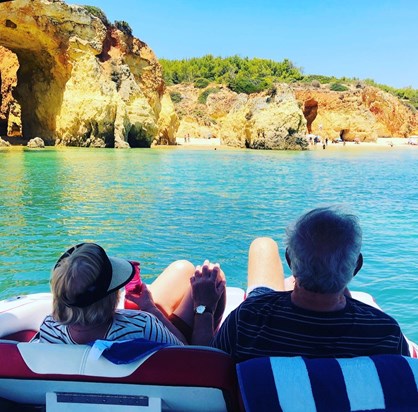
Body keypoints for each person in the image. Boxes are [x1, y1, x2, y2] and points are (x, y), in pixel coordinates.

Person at [211, 207, 410, 362]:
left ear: (289, 261)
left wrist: (205, 310)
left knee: (262, 246)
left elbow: (213, 367)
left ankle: (309, 276)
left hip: (269, 314)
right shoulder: (385, 333)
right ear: (356, 267)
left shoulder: (247, 320)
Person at [34, 243, 225, 346]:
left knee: (181, 268)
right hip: (170, 347)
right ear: (111, 297)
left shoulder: (50, 329)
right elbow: (188, 353)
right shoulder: (141, 325)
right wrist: (203, 307)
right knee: (213, 277)